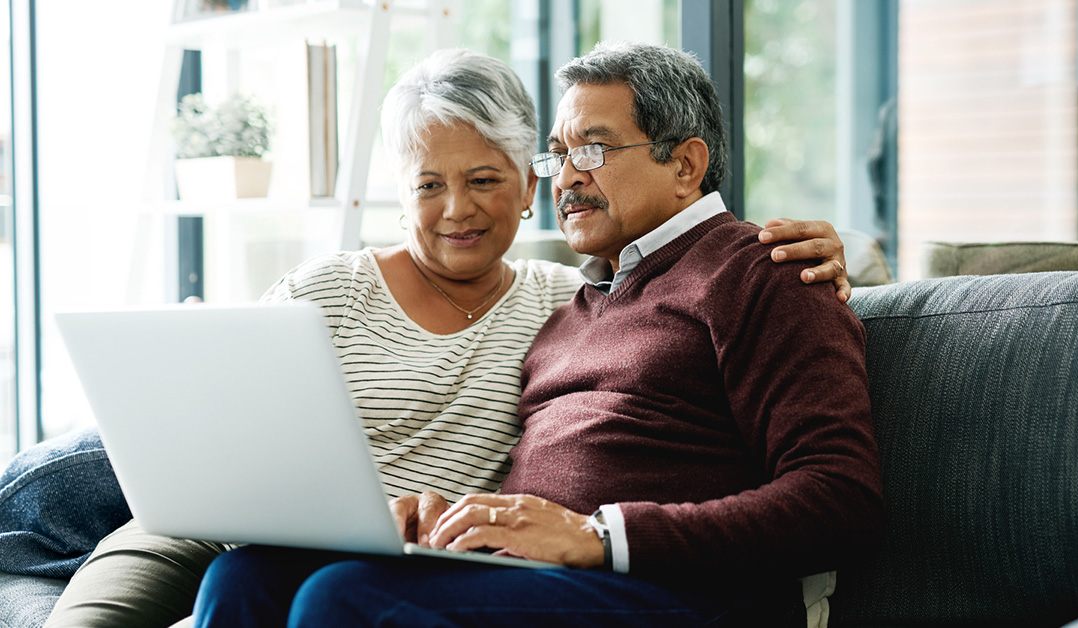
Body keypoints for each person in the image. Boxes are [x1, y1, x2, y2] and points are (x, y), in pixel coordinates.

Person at [9, 48, 851, 628]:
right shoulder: (586, 298)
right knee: (239, 575)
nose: (570, 177)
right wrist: (440, 520)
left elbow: (841, 497)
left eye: (591, 148)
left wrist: (598, 535)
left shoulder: (763, 270)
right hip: (511, 563)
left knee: (346, 600)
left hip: (673, 591)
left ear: (687, 164)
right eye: (563, 154)